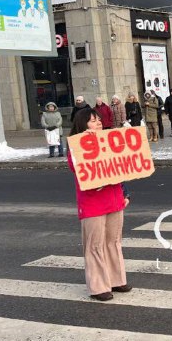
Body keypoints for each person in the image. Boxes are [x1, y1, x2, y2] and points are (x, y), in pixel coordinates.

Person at [67, 108, 131, 301]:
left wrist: (124, 192)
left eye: (99, 120)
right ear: (82, 124)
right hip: (92, 202)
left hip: (113, 198)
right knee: (95, 245)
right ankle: (98, 286)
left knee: (113, 241)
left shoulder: (110, 142)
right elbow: (77, 168)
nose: (98, 123)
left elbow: (119, 166)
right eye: (93, 120)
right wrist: (87, 142)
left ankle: (116, 279)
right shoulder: (76, 147)